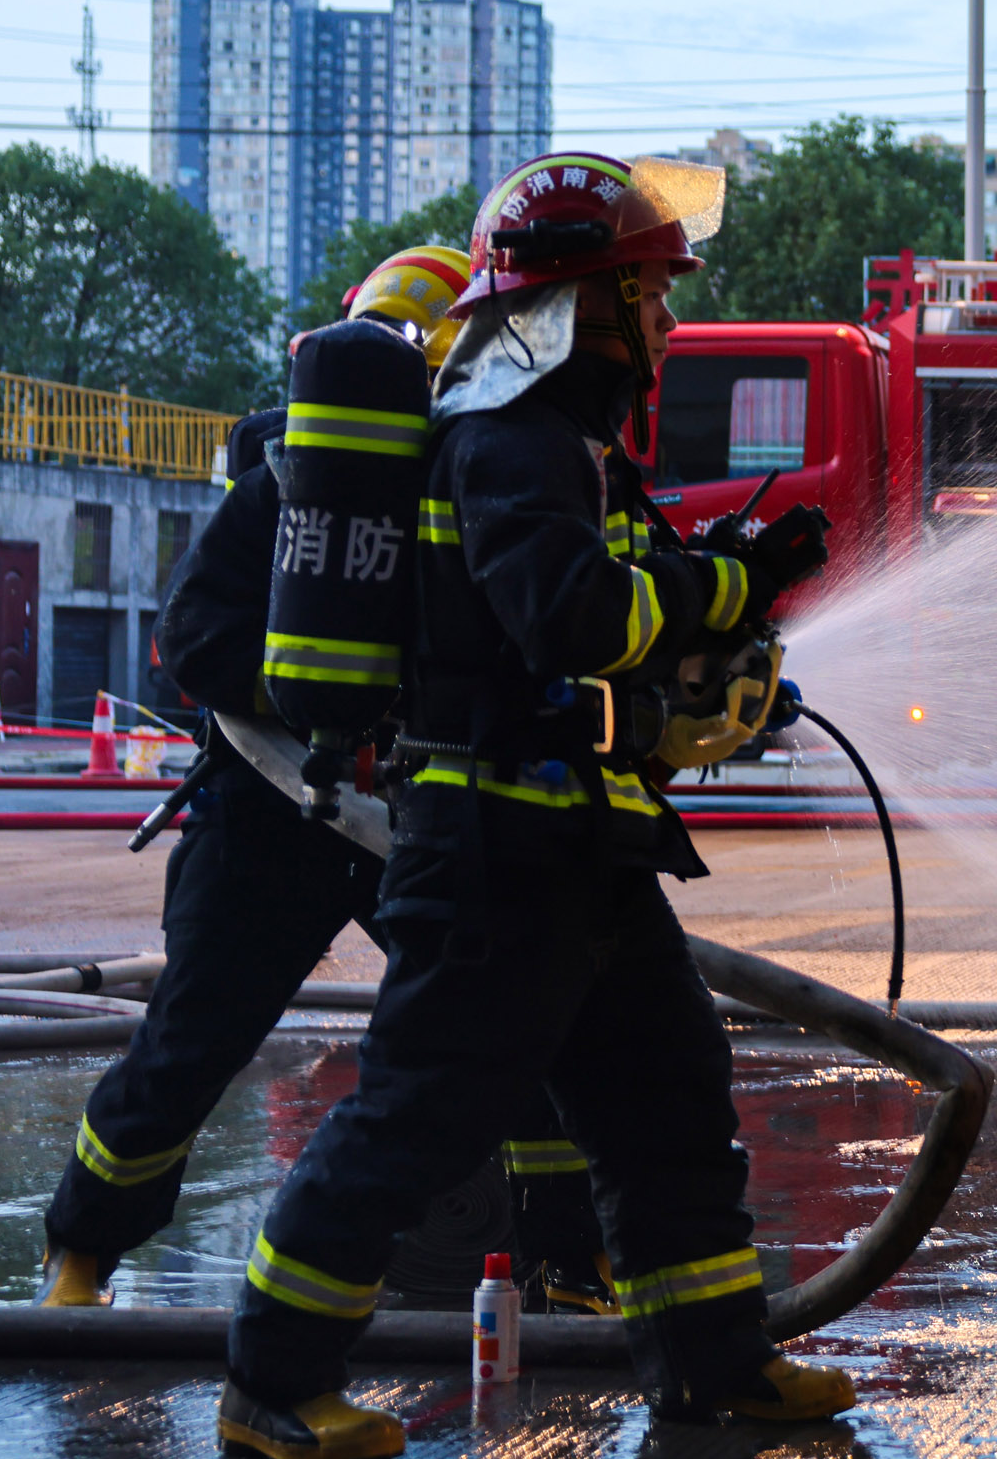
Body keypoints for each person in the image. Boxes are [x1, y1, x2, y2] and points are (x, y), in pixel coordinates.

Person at [217, 152, 837, 1459]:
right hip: (496, 853)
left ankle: (711, 1365)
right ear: (581, 301)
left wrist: (722, 572)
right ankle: (271, 1380)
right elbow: (568, 615)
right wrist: (719, 596)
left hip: (580, 848)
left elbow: (604, 588)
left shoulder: (564, 440)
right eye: (647, 295)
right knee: (420, 1114)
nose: (666, 323)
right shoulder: (507, 434)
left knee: (669, 1099)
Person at [39, 241, 613, 1311]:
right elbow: (201, 643)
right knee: (195, 1039)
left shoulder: (477, 478)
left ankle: (566, 1264)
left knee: (519, 1025)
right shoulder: (294, 484)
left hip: (417, 813)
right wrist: (332, 710)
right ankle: (82, 1255)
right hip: (280, 808)